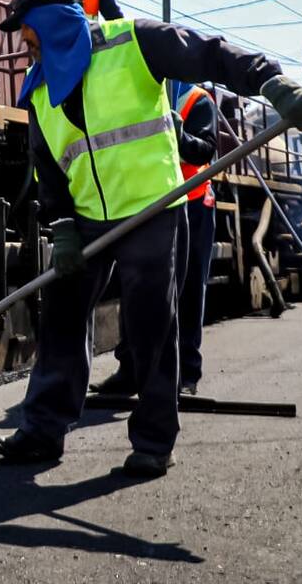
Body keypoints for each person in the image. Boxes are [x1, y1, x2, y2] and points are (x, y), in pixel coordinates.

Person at [0, 0, 302, 477]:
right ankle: (42, 430)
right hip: (86, 217)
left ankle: (152, 440)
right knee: (60, 317)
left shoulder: (132, 42)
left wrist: (271, 83)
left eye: (27, 30)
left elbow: (210, 54)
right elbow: (47, 165)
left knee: (150, 323)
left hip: (152, 206)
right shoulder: (38, 88)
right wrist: (60, 226)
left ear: (52, 20)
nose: (23, 42)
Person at [91, 81, 219, 398]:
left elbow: (206, 149)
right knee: (134, 287)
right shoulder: (140, 93)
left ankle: (186, 374)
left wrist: (180, 135)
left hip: (192, 202)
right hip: (148, 204)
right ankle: (130, 370)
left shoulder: (196, 99)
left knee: (187, 291)